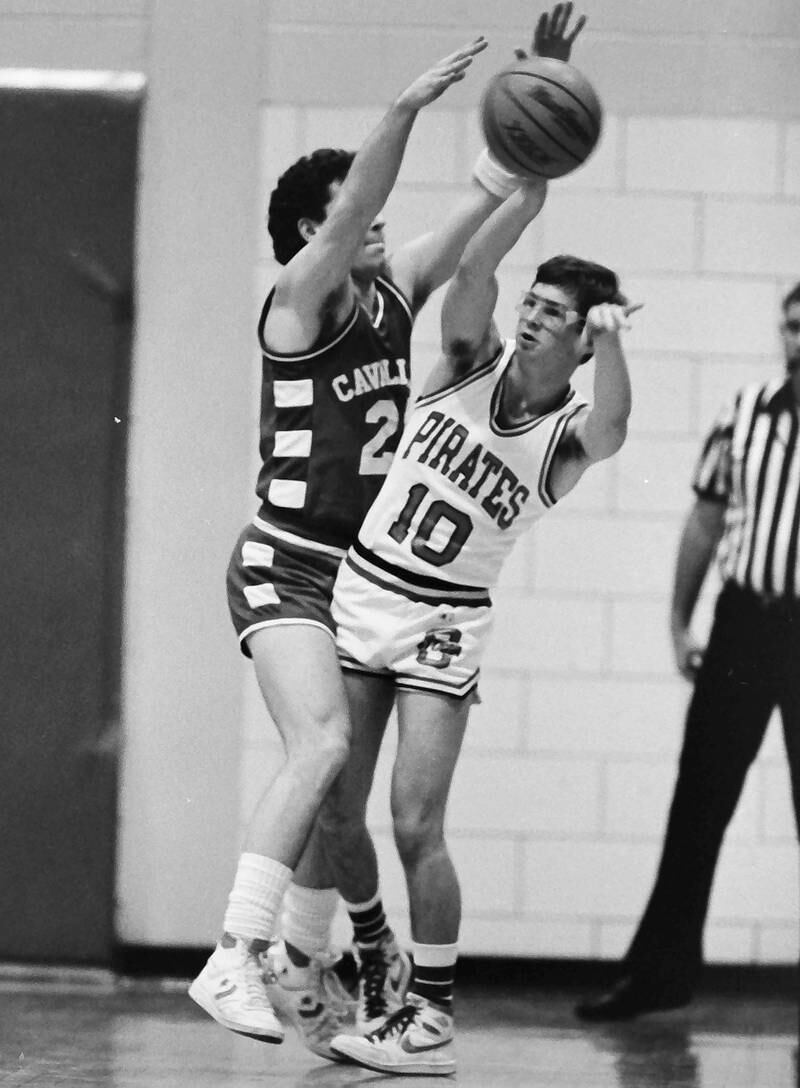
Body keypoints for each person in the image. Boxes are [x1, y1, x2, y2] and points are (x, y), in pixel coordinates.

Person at [190, 7, 584, 1062]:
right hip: (280, 555)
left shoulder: (389, 289)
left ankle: (326, 956)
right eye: (348, 217)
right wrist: (406, 102)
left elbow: (498, 193)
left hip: (360, 575)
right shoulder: (298, 300)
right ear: (313, 235)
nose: (372, 225)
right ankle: (239, 946)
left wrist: (537, 89)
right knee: (318, 748)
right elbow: (356, 201)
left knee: (336, 790)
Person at [315, 170, 637, 1075]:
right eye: (532, 302)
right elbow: (471, 277)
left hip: (447, 620)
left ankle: (431, 1018)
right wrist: (529, 190)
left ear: (580, 339)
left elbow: (614, 427)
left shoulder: (571, 430)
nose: (532, 317)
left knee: (416, 823)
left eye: (555, 314)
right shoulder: (467, 356)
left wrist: (613, 347)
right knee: (335, 809)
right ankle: (375, 949)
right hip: (370, 584)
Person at [575, 281, 800, 1022]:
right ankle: (660, 974)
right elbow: (705, 521)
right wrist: (679, 620)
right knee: (697, 799)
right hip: (744, 621)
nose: (797, 342)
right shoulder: (745, 411)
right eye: (789, 328)